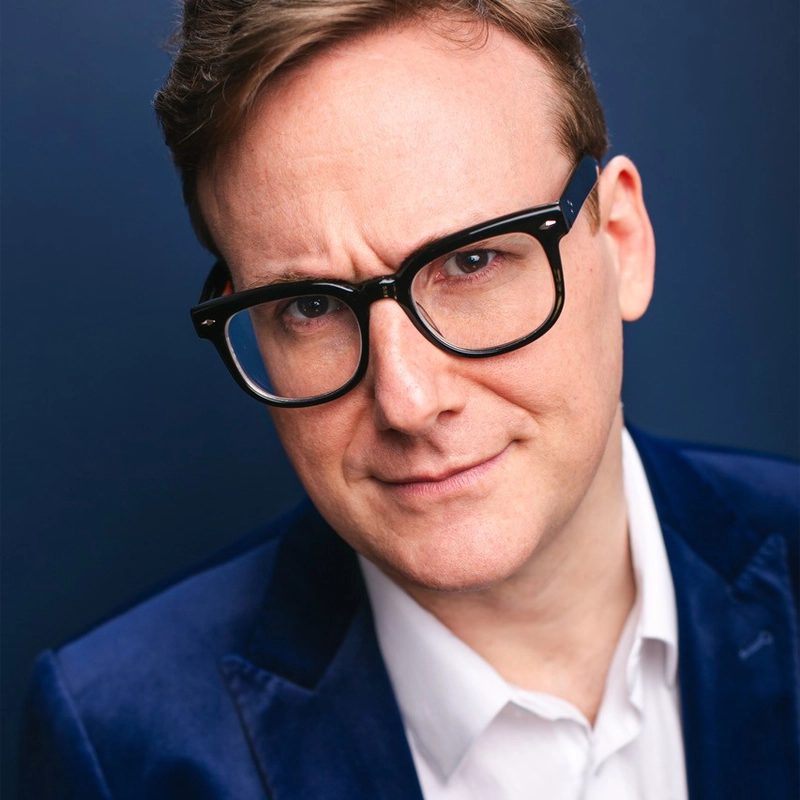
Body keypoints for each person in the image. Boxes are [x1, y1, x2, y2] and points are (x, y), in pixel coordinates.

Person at [20, 1, 798, 798]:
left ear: (623, 242)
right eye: (311, 306)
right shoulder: (120, 751)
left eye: (473, 263)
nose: (408, 400)